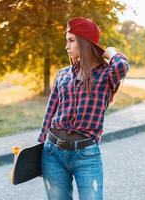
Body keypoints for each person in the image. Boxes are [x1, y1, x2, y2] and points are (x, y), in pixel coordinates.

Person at [37, 17, 130, 200]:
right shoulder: (62, 75)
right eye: (67, 40)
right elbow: (50, 112)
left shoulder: (106, 75)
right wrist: (40, 148)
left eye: (71, 40)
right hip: (52, 153)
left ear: (85, 42)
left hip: (86, 155)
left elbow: (122, 66)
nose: (67, 46)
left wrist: (110, 52)